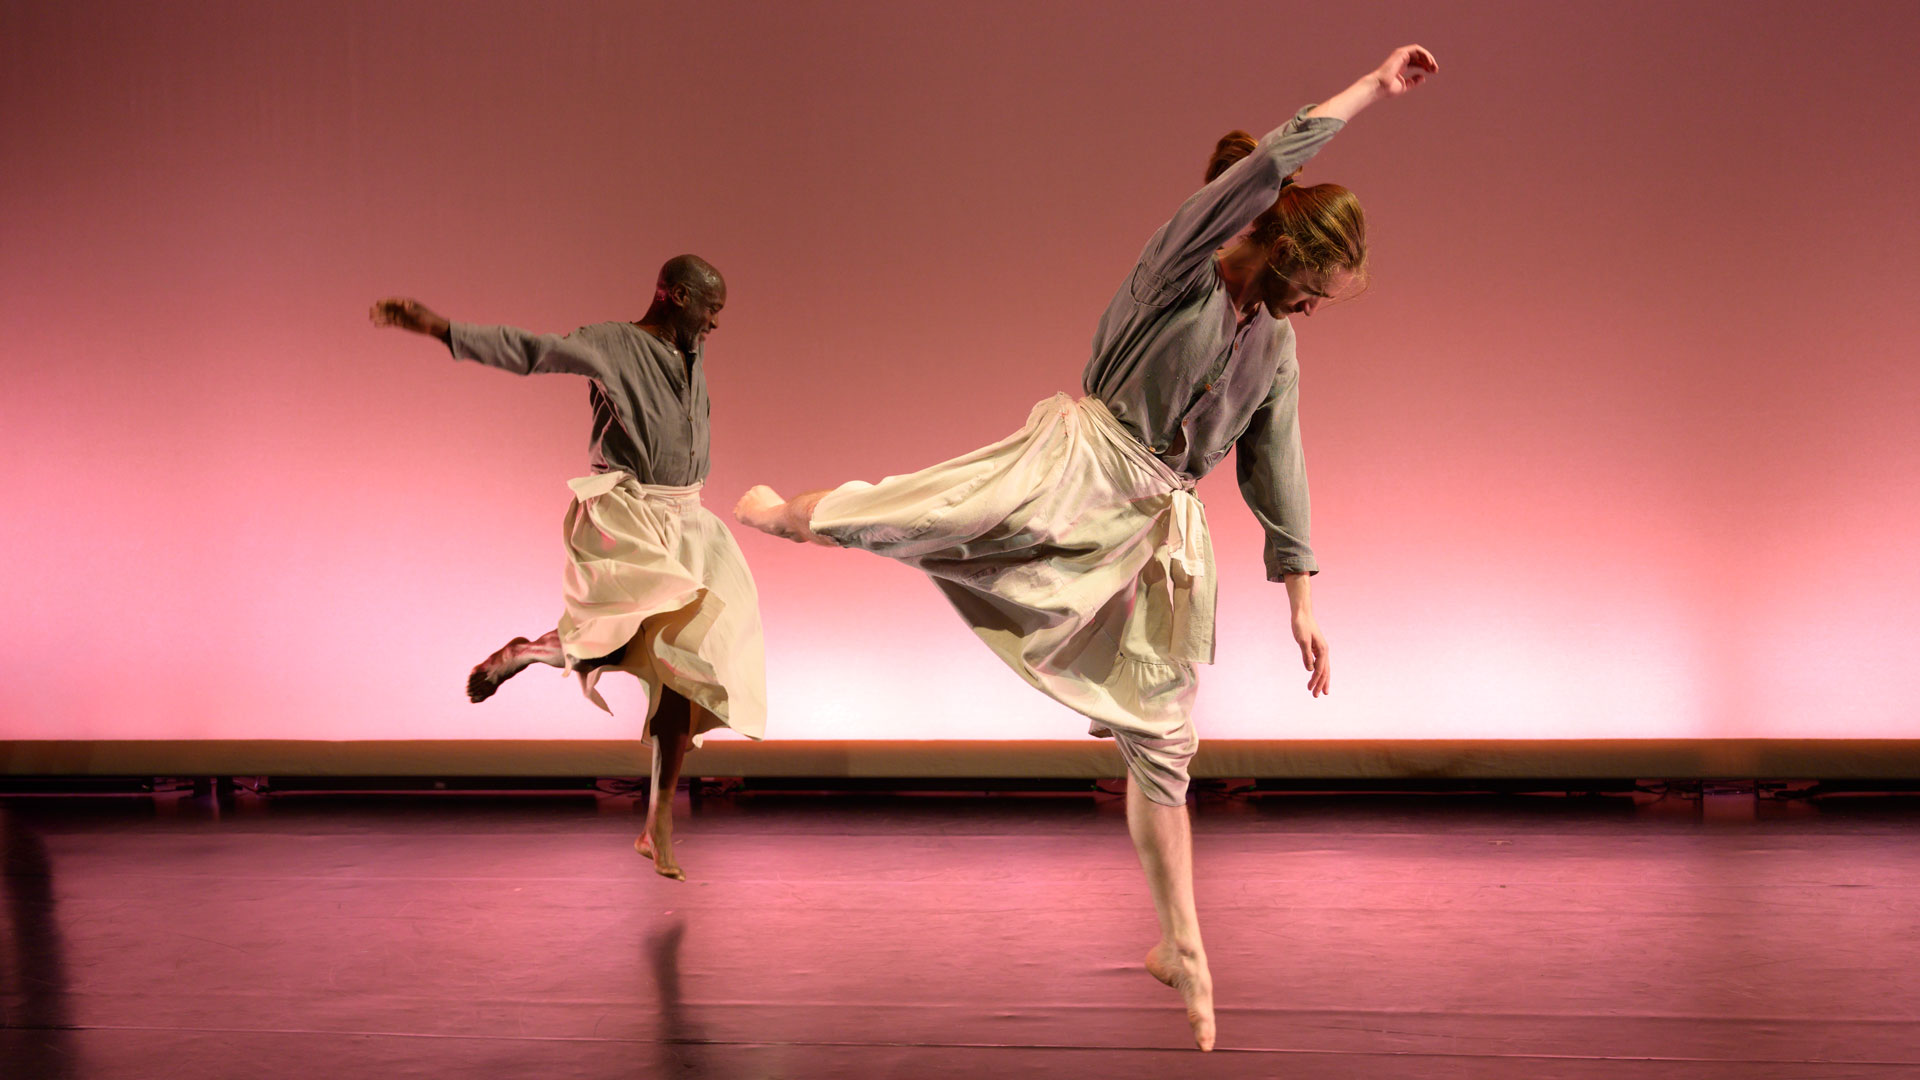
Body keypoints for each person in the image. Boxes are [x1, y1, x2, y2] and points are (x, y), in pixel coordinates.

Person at [735, 46, 1437, 1050]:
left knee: (1164, 739)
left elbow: (1277, 463)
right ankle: (793, 516)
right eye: (1316, 287)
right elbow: (1272, 164)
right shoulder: (1181, 269)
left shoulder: (1274, 345)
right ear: (1283, 255)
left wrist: (1301, 598)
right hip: (1079, 466)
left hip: (1158, 527)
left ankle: (1183, 946)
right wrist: (1374, 88)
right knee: (918, 518)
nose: (1317, 309)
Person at [370, 255, 766, 881]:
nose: (716, 322)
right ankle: (526, 653)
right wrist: (440, 328)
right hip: (628, 516)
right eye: (710, 308)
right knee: (609, 651)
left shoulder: (691, 356)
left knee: (683, 670)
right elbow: (536, 351)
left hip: (689, 522)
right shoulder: (611, 343)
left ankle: (657, 821)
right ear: (677, 296)